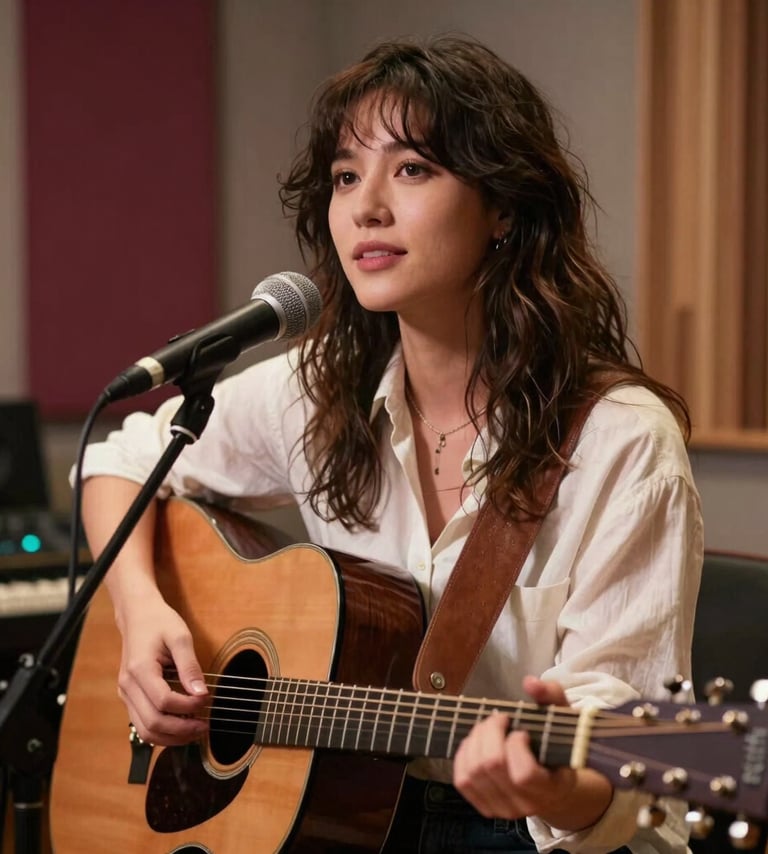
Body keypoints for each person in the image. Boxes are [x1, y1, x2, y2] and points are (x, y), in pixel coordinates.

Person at [76, 35, 702, 853]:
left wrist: (554, 787)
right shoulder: (318, 387)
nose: (366, 206)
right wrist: (142, 610)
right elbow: (117, 460)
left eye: (411, 169)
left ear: (505, 205)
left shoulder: (621, 443)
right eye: (345, 176)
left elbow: (632, 783)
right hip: (342, 815)